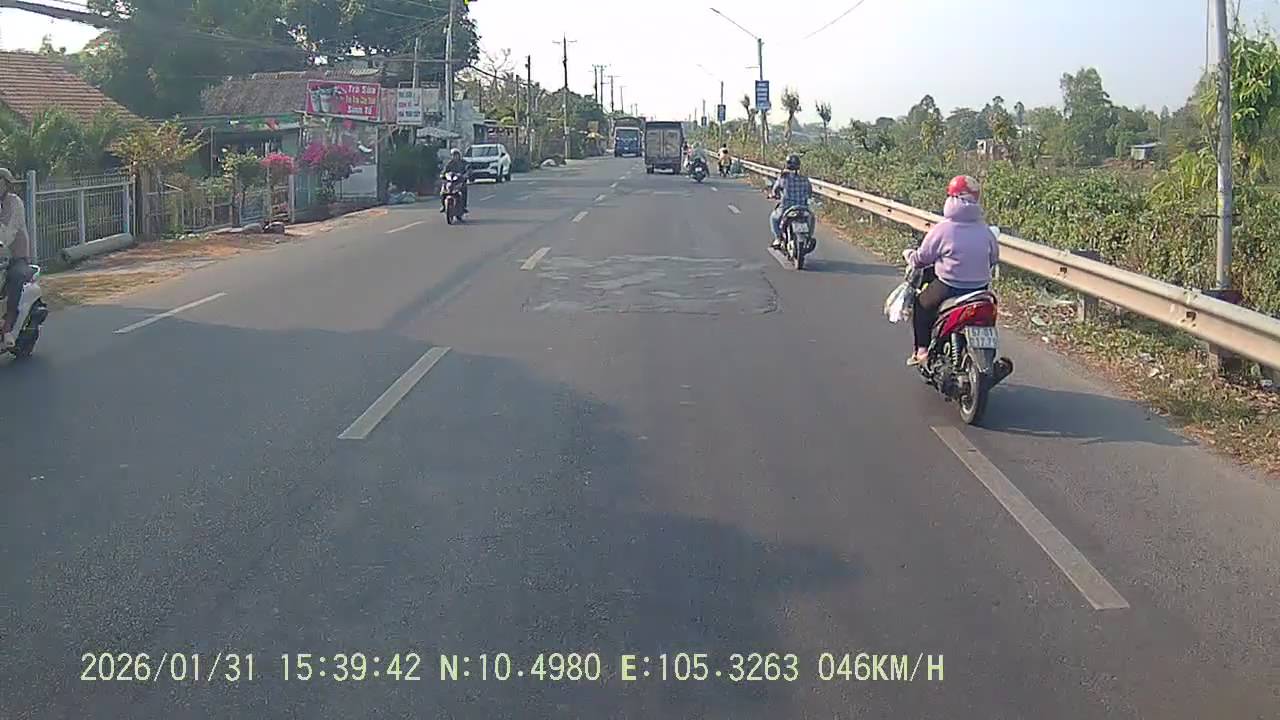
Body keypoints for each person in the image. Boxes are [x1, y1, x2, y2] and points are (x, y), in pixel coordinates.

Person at [904, 174, 1000, 366]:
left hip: (949, 286)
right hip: (981, 289)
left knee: (921, 305)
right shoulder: (985, 230)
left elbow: (923, 258)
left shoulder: (943, 229)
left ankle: (922, 351)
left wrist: (910, 257)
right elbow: (993, 258)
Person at [0, 167, 31, 344]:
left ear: (7, 184)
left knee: (16, 276)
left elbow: (9, 232)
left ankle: (8, 328)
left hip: (16, 257)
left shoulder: (15, 203)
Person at [766, 154, 813, 250]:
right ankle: (809, 237)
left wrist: (773, 195)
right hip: (803, 208)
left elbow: (775, 190)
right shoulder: (805, 179)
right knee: (811, 219)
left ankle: (778, 238)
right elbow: (809, 192)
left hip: (787, 207)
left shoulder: (783, 178)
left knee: (774, 219)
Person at [439, 148, 469, 215]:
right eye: (453, 155)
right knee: (442, 191)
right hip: (450, 182)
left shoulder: (463, 163)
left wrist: (465, 175)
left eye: (456, 155)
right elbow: (444, 171)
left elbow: (468, 170)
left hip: (460, 181)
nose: (455, 157)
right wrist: (442, 175)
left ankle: (464, 206)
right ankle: (443, 206)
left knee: (464, 190)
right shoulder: (449, 163)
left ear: (459, 155)